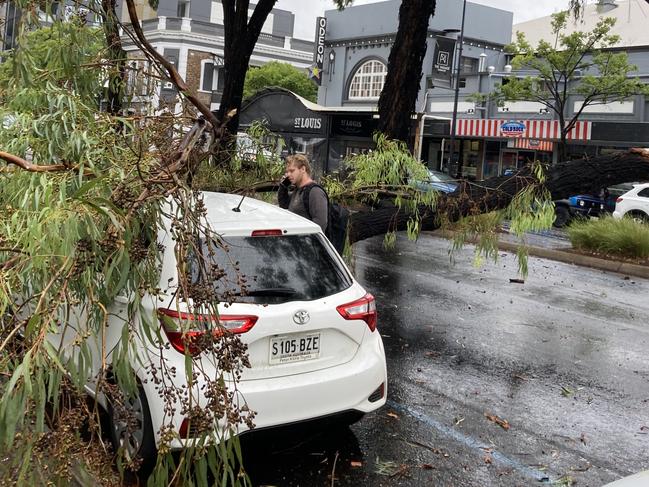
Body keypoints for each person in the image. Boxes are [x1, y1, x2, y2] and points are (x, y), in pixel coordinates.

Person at [278, 154, 328, 232]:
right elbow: (284, 205)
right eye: (287, 172)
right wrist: (283, 186)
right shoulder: (297, 190)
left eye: (292, 171)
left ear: (303, 169)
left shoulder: (315, 192)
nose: (288, 175)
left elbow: (320, 225)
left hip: (307, 242)